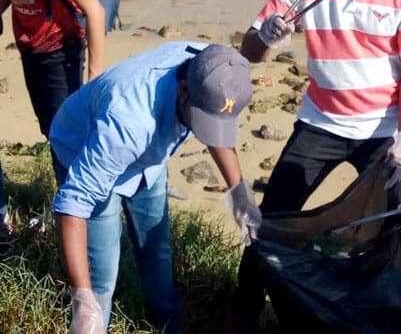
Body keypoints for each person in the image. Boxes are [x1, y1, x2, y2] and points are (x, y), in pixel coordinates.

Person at [234, 0, 401, 329]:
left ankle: (389, 317)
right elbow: (251, 52)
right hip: (319, 124)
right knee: (269, 221)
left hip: (383, 133)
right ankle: (243, 309)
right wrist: (269, 35)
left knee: (389, 232)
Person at [49, 42, 261, 334]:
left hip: (150, 156)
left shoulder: (213, 67)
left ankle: (170, 325)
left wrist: (239, 192)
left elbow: (218, 127)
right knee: (102, 276)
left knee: (156, 247)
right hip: (84, 147)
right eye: (202, 124)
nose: (207, 134)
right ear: (184, 90)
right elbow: (73, 203)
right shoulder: (128, 122)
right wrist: (82, 302)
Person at [0, 0, 106, 186]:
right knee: (51, 131)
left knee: (68, 138)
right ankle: (69, 204)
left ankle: (82, 210)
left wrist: (94, 82)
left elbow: (93, 11)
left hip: (61, 49)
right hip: (30, 46)